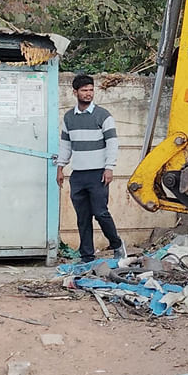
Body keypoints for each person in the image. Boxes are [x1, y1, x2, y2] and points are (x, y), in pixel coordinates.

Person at [55, 74, 123, 263]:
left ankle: (117, 245)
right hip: (78, 175)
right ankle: (87, 256)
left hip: (98, 174)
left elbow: (112, 144)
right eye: (84, 90)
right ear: (75, 92)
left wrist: (109, 168)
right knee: (82, 217)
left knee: (101, 213)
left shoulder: (103, 115)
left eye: (91, 90)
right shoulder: (69, 117)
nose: (88, 93)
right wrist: (60, 167)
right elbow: (65, 145)